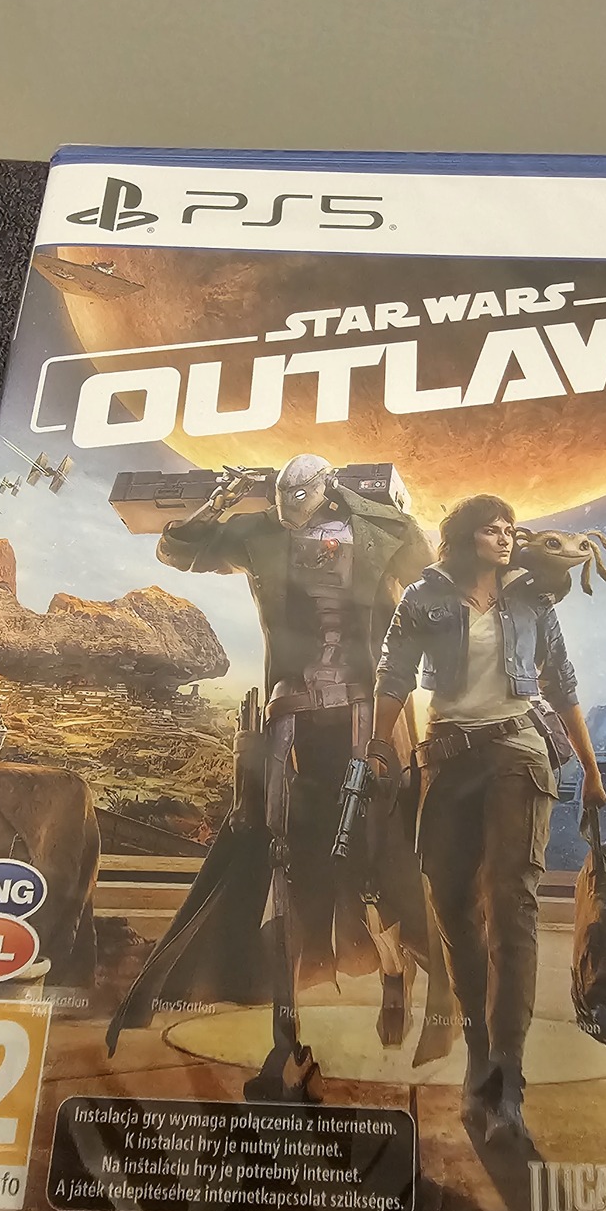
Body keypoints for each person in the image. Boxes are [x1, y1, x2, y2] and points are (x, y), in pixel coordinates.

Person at [119, 454, 439, 1098]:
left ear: (325, 491)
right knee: (286, 858)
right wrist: (221, 500)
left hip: (366, 709)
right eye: (284, 504)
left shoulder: (378, 528)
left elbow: (425, 564)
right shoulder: (260, 532)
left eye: (304, 501)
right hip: (292, 710)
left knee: (377, 859)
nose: (292, 513)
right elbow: (177, 550)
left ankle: (395, 973)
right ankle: (285, 1036)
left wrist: (372, 504)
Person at [370, 494, 606, 1143]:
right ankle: (479, 1055)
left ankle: (508, 1079)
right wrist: (376, 746)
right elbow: (392, 676)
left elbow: (561, 684)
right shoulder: (424, 596)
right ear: (463, 538)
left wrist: (591, 770)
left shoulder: (531, 599)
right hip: (447, 757)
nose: (504, 538)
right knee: (452, 911)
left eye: (509, 530)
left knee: (510, 905)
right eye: (490, 530)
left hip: (517, 752)